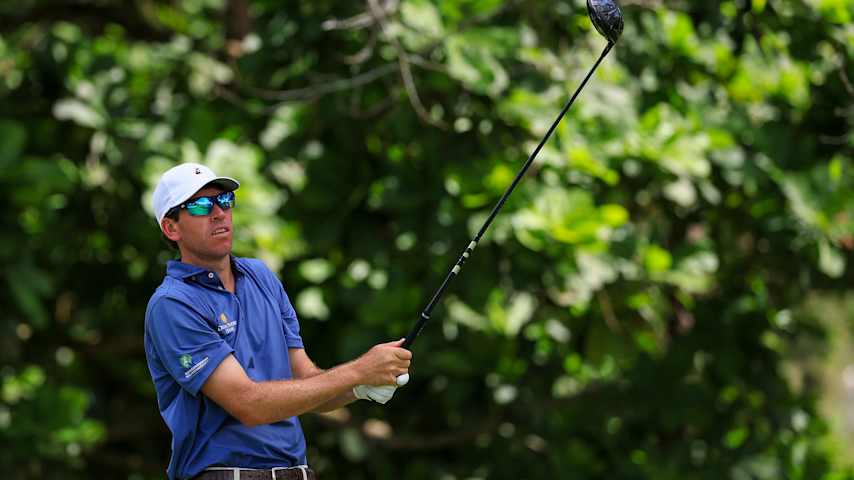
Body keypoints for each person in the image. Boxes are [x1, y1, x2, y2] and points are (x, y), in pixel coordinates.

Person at [144, 163, 412, 480]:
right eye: (201, 205)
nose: (218, 213)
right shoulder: (173, 304)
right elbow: (248, 404)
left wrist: (361, 386)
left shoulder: (260, 276)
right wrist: (358, 370)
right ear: (171, 228)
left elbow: (307, 380)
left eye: (224, 201)